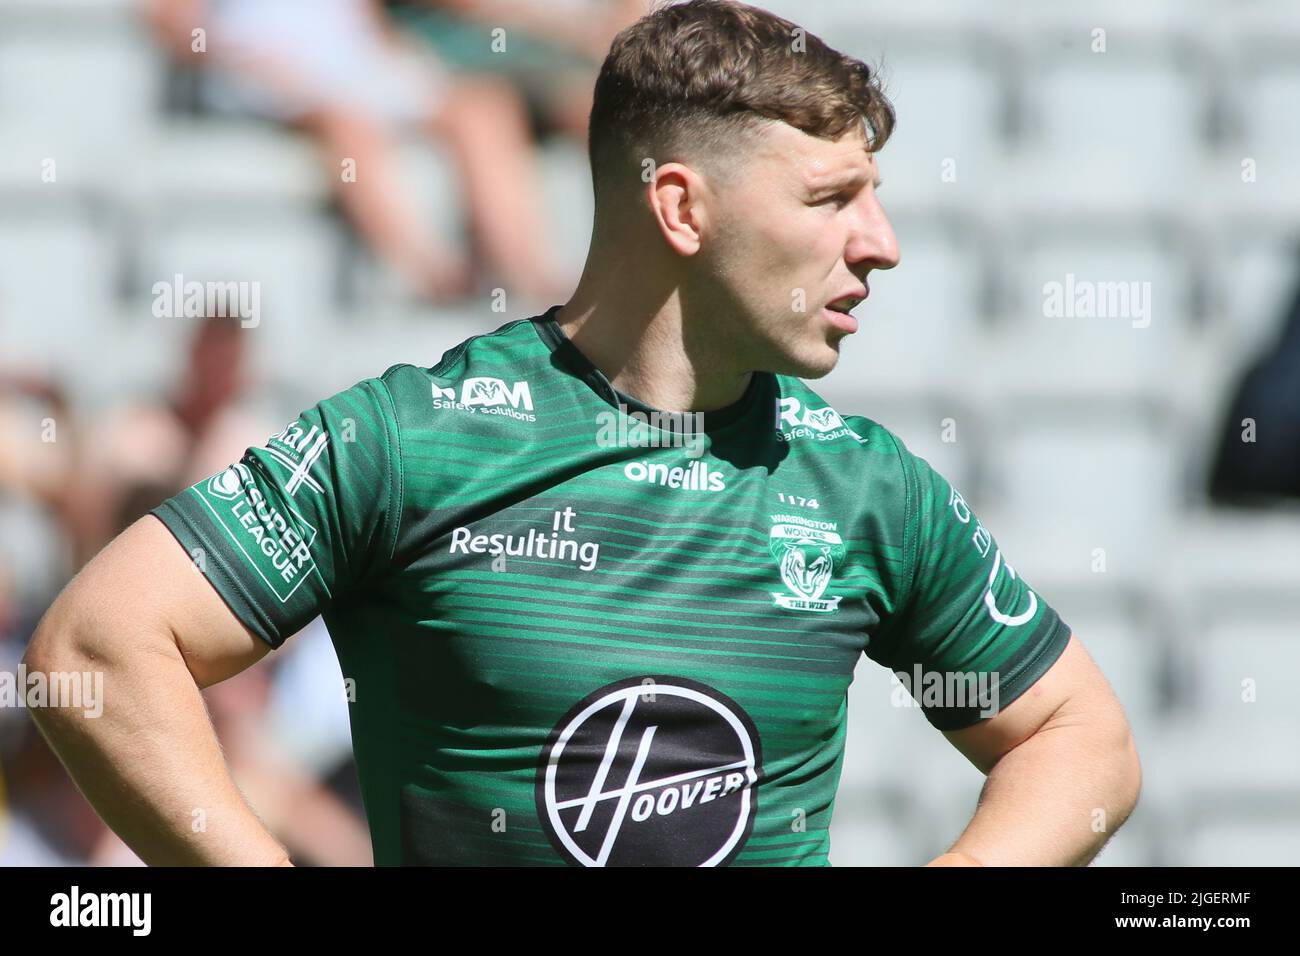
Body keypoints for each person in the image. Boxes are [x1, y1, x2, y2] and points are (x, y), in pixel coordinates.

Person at [25, 0, 1140, 867]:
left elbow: (1078, 738)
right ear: (681, 209)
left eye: (876, 196)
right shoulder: (417, 440)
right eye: (830, 198)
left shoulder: (864, 485)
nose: (881, 242)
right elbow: (98, 647)